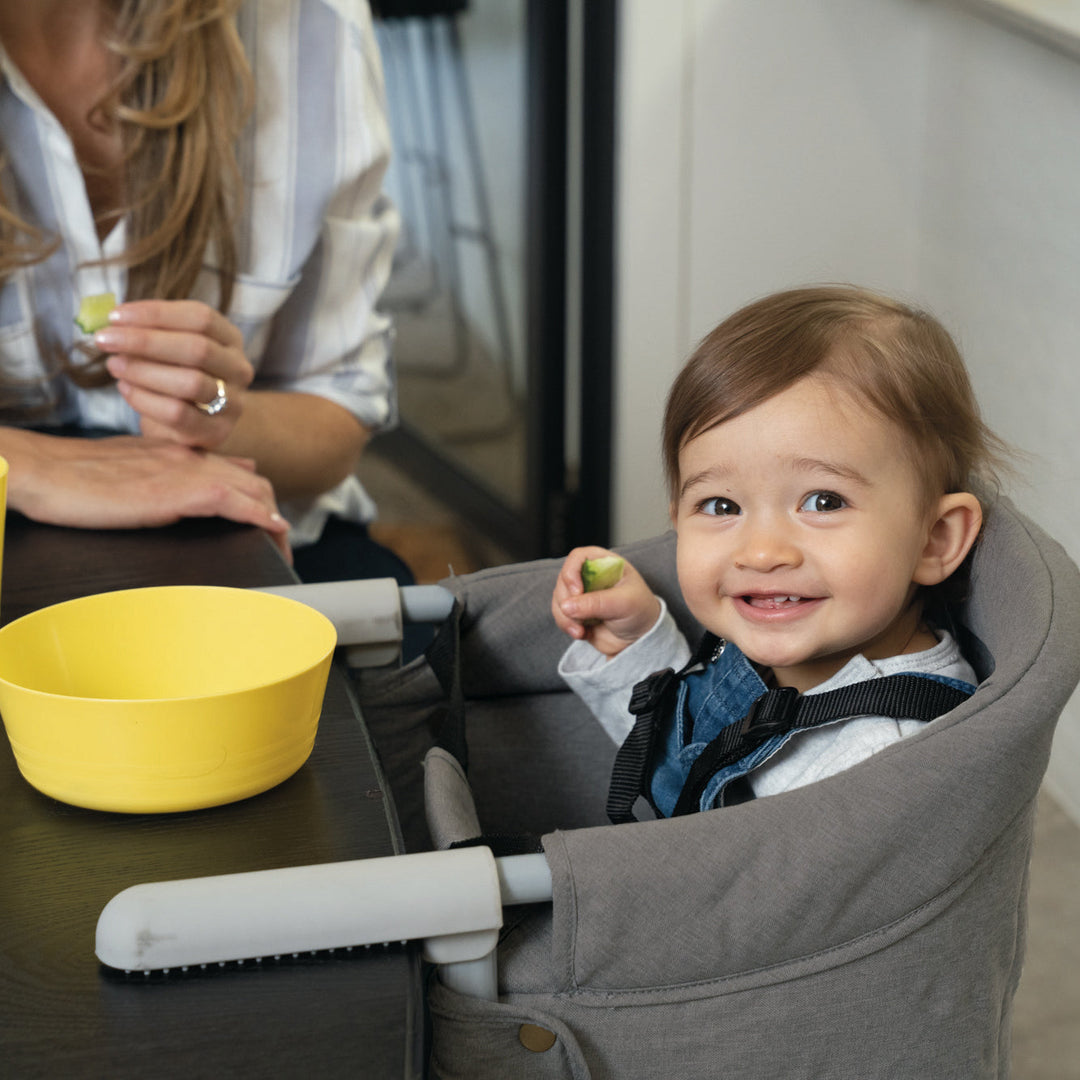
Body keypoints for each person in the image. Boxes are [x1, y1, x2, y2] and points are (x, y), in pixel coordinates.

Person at [552, 284, 1009, 814]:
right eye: (722, 506)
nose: (762, 553)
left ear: (936, 539)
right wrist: (637, 646)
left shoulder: (888, 764)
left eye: (823, 501)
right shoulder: (769, 633)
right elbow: (687, 771)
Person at [0, 0, 410, 581]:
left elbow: (335, 414)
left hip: (244, 527)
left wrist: (214, 412)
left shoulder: (312, 22)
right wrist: (25, 463)